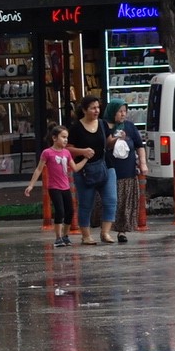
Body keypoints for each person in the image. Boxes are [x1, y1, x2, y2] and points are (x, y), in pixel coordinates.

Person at [23, 125, 87, 248]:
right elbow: (39, 169)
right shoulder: (47, 153)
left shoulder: (67, 153)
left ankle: (65, 235)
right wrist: (31, 185)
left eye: (67, 137)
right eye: (63, 137)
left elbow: (75, 168)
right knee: (60, 211)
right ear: (54, 138)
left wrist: (85, 159)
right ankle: (58, 238)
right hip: (54, 187)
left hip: (66, 187)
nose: (65, 140)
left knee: (70, 211)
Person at [66, 95, 117, 245]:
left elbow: (108, 143)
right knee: (86, 203)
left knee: (111, 200)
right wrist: (82, 151)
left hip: (105, 165)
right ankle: (86, 235)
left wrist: (118, 139)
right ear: (84, 110)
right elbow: (68, 148)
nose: (96, 111)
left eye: (98, 107)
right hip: (84, 169)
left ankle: (105, 232)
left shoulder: (102, 124)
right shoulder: (75, 128)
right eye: (93, 108)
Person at [102, 99, 148, 243]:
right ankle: (106, 231)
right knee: (111, 201)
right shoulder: (104, 126)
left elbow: (139, 145)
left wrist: (142, 163)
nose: (123, 114)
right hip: (110, 171)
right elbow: (105, 145)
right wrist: (116, 137)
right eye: (120, 111)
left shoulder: (129, 126)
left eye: (125, 111)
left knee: (125, 202)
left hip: (128, 171)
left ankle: (122, 231)